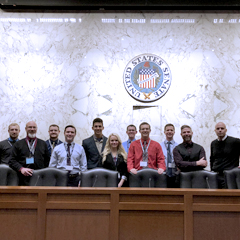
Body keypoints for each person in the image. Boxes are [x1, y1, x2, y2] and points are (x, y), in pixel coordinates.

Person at [9, 121, 50, 186]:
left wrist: (42, 171)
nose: (32, 129)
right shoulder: (18, 144)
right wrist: (21, 169)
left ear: (36, 129)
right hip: (22, 178)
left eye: (34, 127)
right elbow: (12, 160)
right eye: (30, 127)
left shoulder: (43, 143)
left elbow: (47, 160)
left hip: (39, 178)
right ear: (25, 129)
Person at [210, 122, 240, 188]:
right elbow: (212, 158)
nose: (220, 130)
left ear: (226, 130)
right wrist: (212, 170)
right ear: (215, 131)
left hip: (230, 175)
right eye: (218, 129)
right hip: (216, 175)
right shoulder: (213, 143)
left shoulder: (235, 141)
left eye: (222, 128)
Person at [160, 123, 179, 188]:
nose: (169, 132)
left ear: (174, 132)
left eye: (171, 130)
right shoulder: (159, 146)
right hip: (163, 174)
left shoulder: (178, 146)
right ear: (164, 132)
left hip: (175, 175)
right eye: (168, 130)